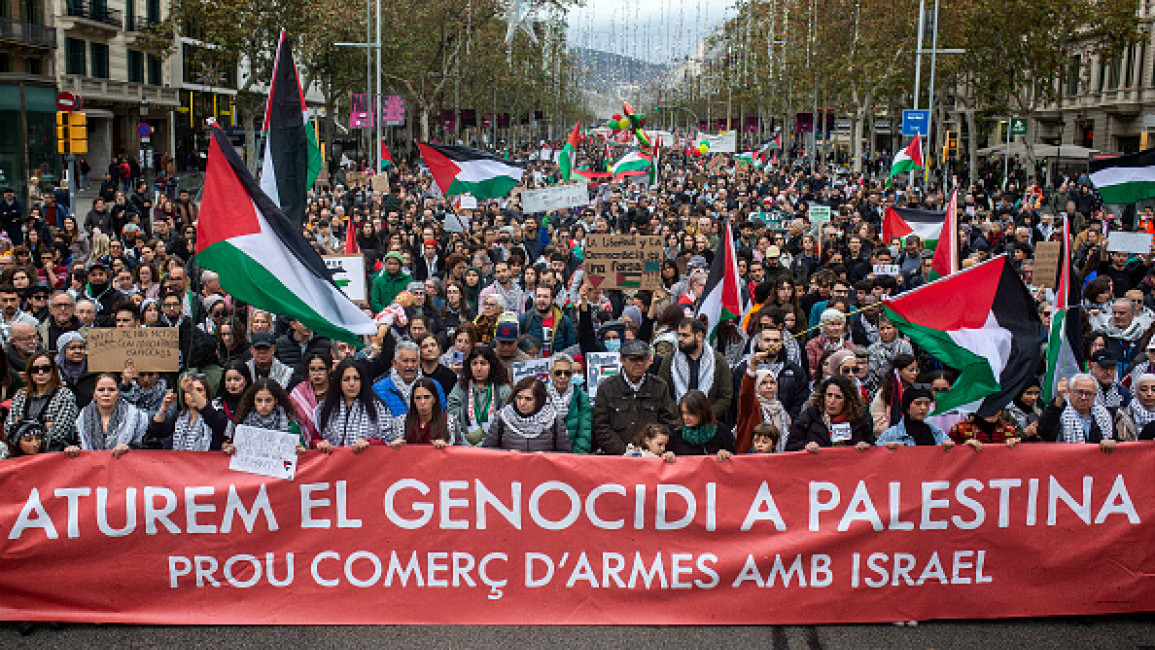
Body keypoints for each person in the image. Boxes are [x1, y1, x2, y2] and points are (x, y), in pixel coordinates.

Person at [591, 339, 678, 455]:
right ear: (622, 360)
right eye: (633, 359)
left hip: (651, 458)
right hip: (616, 458)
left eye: (642, 359)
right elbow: (601, 427)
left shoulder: (660, 387)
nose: (638, 363)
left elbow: (667, 423)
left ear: (649, 360)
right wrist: (625, 452)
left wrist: (651, 449)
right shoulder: (606, 388)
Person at [657, 317, 733, 422]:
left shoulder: (718, 361)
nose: (680, 339)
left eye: (685, 335)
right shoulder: (669, 360)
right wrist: (682, 416)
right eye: (679, 335)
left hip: (708, 424)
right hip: (677, 423)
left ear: (699, 336)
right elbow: (663, 393)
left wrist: (704, 417)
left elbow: (725, 397)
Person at [312, 359, 395, 452]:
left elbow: (388, 441)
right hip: (334, 463)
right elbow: (314, 439)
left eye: (356, 378)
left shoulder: (377, 407)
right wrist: (320, 444)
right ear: (339, 382)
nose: (352, 384)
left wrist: (369, 443)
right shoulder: (325, 407)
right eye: (346, 379)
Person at [4, 351, 79, 451]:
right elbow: (9, 429)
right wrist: (44, 426)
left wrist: (24, 430)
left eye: (46, 369)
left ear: (53, 371)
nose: (40, 373)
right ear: (29, 373)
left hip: (53, 454)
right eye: (35, 370)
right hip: (21, 455)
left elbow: (59, 433)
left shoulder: (64, 395)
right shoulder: (21, 395)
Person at [66, 373, 148, 457]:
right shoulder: (81, 419)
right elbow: (72, 444)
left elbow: (147, 448)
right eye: (101, 390)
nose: (106, 394)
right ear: (94, 394)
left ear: (118, 394)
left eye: (111, 390)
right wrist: (73, 449)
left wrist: (130, 448)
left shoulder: (137, 417)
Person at [785, 375, 874, 452]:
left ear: (848, 400)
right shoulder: (809, 416)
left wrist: (864, 446)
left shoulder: (860, 420)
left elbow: (873, 448)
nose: (832, 401)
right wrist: (805, 446)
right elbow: (790, 447)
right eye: (829, 395)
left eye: (838, 397)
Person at [483, 376, 570, 452]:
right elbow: (488, 452)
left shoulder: (553, 419)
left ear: (539, 400)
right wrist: (507, 454)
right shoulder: (502, 417)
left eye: (528, 399)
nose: (522, 403)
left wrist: (545, 457)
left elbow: (564, 455)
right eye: (519, 398)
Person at [447, 346, 511, 446]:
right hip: (465, 444)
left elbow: (507, 421)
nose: (479, 368)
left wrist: (486, 442)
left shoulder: (503, 389)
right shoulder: (461, 386)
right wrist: (465, 442)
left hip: (495, 445)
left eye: (483, 363)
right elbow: (451, 416)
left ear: (491, 365)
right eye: (474, 363)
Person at [1037, 373, 1118, 451]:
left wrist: (1111, 442)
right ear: (1069, 392)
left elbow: (1114, 439)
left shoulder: (1103, 414)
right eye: (1079, 392)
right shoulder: (1060, 410)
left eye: (1088, 393)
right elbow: (1044, 432)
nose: (1083, 397)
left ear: (1095, 395)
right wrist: (1058, 401)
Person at [735, 350, 792, 453]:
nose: (769, 386)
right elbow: (746, 393)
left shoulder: (781, 409)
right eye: (764, 383)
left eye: (772, 382)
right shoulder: (751, 407)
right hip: (750, 462)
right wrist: (753, 366)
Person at [373, 340, 445, 416]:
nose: (410, 365)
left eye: (414, 361)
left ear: (419, 362)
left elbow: (440, 416)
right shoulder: (378, 390)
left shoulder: (434, 386)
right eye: (405, 361)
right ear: (395, 363)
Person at [224, 378, 302, 447]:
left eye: (268, 400)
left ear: (276, 400)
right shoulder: (241, 422)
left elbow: (303, 452)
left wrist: (299, 450)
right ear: (253, 401)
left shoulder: (290, 424)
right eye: (259, 400)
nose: (263, 405)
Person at [393, 377, 461, 446]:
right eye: (418, 398)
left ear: (434, 399)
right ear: (413, 400)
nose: (422, 402)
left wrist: (445, 447)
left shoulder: (449, 421)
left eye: (427, 397)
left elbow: (459, 448)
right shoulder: (401, 422)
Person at [545, 353, 591, 453]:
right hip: (547, 455)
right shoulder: (540, 394)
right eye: (558, 373)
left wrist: (577, 457)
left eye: (567, 373)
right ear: (550, 373)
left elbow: (584, 432)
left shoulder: (582, 397)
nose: (562, 377)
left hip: (573, 456)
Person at [876, 387, 953, 448]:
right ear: (907, 407)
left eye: (926, 404)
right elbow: (875, 456)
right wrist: (885, 450)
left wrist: (949, 446)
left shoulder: (936, 433)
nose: (923, 408)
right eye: (918, 403)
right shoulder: (891, 434)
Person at [668, 389, 733, 459]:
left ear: (702, 413)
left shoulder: (721, 430)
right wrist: (668, 455)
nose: (685, 417)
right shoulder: (674, 430)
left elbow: (734, 458)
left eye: (691, 413)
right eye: (683, 413)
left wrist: (726, 454)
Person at [289, 350, 332, 445]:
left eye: (321, 369)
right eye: (313, 369)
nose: (317, 373)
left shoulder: (337, 390)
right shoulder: (298, 393)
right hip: (307, 448)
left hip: (334, 445)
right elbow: (293, 421)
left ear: (329, 370)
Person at [519, 286, 575, 357]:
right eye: (538, 296)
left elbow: (571, 348)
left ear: (553, 300)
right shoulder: (525, 319)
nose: (541, 300)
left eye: (545, 297)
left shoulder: (564, 321)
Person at [869, 353, 919, 433]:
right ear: (899, 371)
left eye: (916, 370)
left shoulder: (916, 391)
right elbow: (877, 418)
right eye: (911, 370)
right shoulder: (885, 391)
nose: (915, 373)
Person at [415, 333, 458, 399]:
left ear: (439, 348)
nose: (430, 349)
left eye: (433, 345)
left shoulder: (449, 375)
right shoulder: (415, 374)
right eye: (425, 346)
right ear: (419, 351)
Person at [1115, 373, 1155, 441]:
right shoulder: (1124, 415)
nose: (1149, 394)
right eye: (1144, 390)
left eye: (1154, 390)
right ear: (1136, 392)